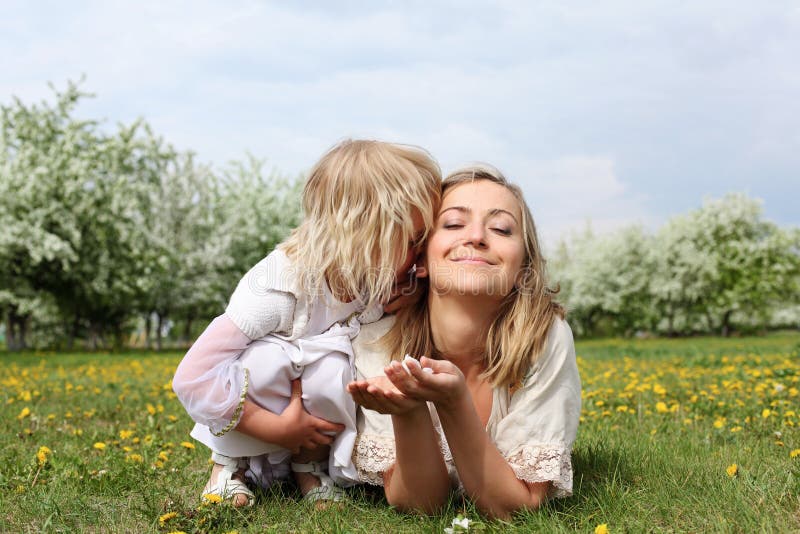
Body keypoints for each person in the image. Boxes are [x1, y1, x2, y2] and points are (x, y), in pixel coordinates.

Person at [172, 139, 441, 506]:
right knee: (267, 359)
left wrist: (412, 291)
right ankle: (227, 467)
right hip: (260, 417)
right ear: (365, 234)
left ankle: (308, 468)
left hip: (304, 430)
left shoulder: (368, 283)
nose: (420, 253)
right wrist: (275, 428)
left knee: (334, 363)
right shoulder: (279, 286)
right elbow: (193, 376)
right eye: (414, 241)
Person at [347, 164, 581, 519]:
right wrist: (408, 408)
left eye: (501, 228)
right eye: (454, 223)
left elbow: (516, 507)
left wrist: (455, 403)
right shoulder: (379, 340)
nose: (476, 237)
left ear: (523, 266)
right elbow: (421, 505)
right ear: (421, 257)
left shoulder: (543, 338)